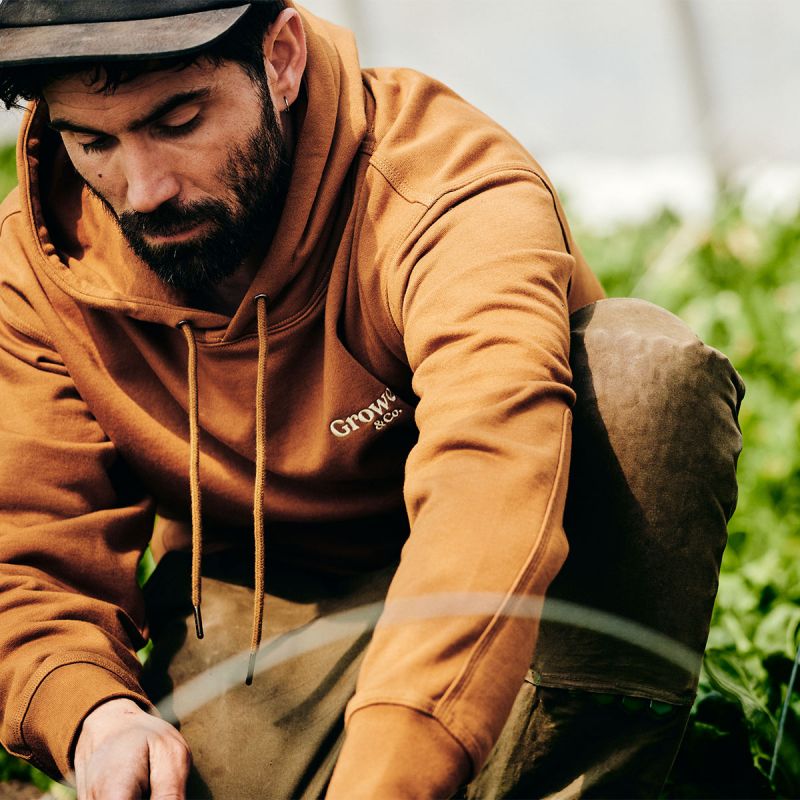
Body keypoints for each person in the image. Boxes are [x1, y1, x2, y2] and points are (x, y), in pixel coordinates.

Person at [0, 1, 744, 798]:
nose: (142, 190)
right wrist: (96, 714)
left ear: (280, 59)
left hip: (529, 579)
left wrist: (391, 772)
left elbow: (489, 483)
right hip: (265, 614)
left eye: (180, 120)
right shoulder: (42, 260)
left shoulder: (445, 185)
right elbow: (34, 553)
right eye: (94, 142)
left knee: (641, 378)